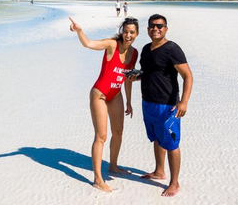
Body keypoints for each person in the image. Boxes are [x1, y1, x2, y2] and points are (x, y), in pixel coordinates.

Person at [69, 16, 139, 192]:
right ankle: (98, 179)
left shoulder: (134, 53)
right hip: (99, 94)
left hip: (116, 95)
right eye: (126, 31)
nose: (128, 35)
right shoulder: (111, 45)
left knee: (118, 132)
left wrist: (129, 101)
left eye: (132, 32)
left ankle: (113, 166)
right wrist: (79, 31)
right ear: (122, 31)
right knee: (101, 136)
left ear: (136, 34)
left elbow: (128, 78)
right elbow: (88, 44)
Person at [128, 14, 193, 197]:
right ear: (148, 29)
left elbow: (188, 76)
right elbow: (149, 73)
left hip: (167, 105)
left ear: (166, 28)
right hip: (147, 102)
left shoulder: (172, 49)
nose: (155, 29)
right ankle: (159, 171)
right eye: (152, 26)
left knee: (171, 143)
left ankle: (174, 183)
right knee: (156, 137)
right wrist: (136, 77)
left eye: (159, 26)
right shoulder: (146, 49)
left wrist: (184, 102)